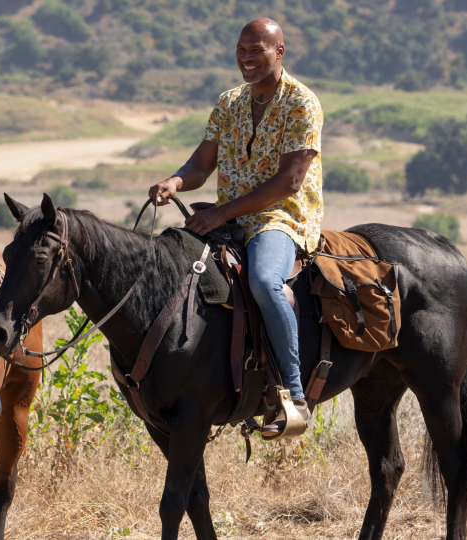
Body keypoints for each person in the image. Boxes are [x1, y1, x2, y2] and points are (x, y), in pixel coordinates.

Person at [148, 18, 323, 439]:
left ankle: (294, 397)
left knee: (264, 281)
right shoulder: (228, 102)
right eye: (241, 49)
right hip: (228, 216)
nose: (245, 57)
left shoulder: (302, 102)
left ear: (279, 52)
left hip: (282, 217)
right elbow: (200, 165)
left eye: (256, 50)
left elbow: (290, 182)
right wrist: (175, 181)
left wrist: (222, 215)